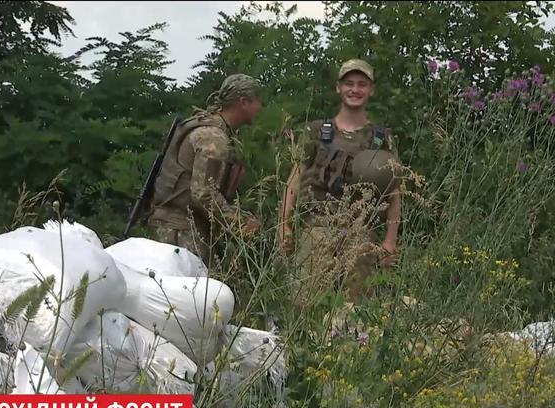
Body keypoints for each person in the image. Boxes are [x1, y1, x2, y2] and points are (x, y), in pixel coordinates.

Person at [278, 59, 403, 306]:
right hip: (317, 229)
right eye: (349, 84)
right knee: (305, 305)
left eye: (362, 84)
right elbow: (294, 179)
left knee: (356, 310)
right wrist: (284, 224)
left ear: (371, 90)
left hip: (361, 233)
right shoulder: (316, 131)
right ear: (338, 88)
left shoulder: (381, 138)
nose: (355, 90)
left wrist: (390, 241)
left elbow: (394, 192)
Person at [148, 74, 263, 263]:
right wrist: (240, 222)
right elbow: (203, 194)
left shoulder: (206, 126)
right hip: (181, 232)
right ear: (243, 102)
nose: (260, 107)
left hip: (173, 227)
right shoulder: (213, 138)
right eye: (257, 101)